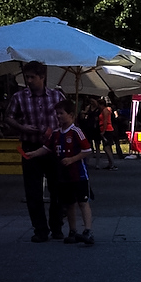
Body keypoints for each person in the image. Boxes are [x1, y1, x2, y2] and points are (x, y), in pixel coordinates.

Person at [4, 60, 65, 242]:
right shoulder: (19, 97)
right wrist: (22, 127)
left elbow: (68, 118)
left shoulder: (56, 96)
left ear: (42, 77)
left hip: (53, 149)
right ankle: (40, 229)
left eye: (32, 77)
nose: (29, 80)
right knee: (33, 191)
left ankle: (56, 226)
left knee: (58, 189)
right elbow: (8, 117)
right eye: (27, 77)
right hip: (30, 147)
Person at [22, 99, 95, 245]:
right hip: (64, 176)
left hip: (78, 174)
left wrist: (72, 159)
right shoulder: (55, 133)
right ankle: (72, 230)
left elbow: (87, 150)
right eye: (57, 114)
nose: (58, 116)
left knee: (82, 201)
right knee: (69, 203)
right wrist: (33, 154)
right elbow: (46, 148)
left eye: (62, 113)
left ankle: (88, 230)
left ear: (71, 115)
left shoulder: (76, 132)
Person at [98, 98, 118, 170]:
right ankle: (110, 163)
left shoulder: (105, 110)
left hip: (107, 130)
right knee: (106, 146)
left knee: (107, 147)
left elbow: (105, 120)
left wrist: (103, 131)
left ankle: (112, 164)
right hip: (105, 129)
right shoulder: (104, 110)